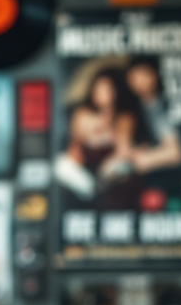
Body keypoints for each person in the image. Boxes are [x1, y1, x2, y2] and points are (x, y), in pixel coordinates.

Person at [54, 67, 145, 203]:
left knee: (122, 167)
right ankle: (92, 192)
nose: (102, 93)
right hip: (86, 168)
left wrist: (108, 165)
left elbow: (124, 150)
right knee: (61, 166)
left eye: (108, 89)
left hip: (110, 167)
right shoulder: (82, 113)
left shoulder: (124, 117)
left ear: (116, 91)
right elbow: (75, 147)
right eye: (98, 88)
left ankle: (99, 192)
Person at [124, 55, 181, 174]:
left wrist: (146, 158)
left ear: (155, 75)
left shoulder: (161, 105)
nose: (139, 81)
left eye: (145, 74)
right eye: (134, 75)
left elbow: (175, 153)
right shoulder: (133, 106)